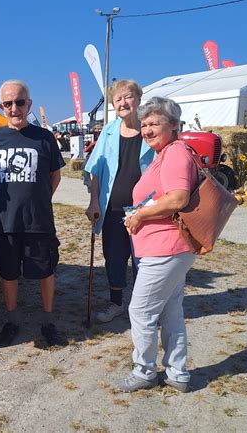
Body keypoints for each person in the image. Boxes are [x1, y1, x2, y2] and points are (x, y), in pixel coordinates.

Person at [114, 97, 198, 393]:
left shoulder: (174, 153)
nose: (147, 129)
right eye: (145, 124)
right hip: (169, 248)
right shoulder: (164, 154)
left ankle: (144, 371)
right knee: (170, 310)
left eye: (154, 123)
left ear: (174, 126)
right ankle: (177, 373)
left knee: (140, 311)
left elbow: (178, 198)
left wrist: (140, 214)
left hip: (165, 248)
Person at [0, 79, 66, 347]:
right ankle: (12, 320)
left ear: (28, 103)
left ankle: (48, 321)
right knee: (8, 273)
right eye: (8, 103)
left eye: (19, 102)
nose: (14, 108)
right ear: (2, 106)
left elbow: (55, 176)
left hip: (38, 221)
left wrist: (37, 200)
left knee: (45, 271)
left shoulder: (44, 138)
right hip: (6, 223)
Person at [84, 80, 154, 322]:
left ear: (138, 99)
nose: (123, 103)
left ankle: (143, 307)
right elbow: (95, 169)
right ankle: (116, 304)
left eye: (128, 97)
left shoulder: (150, 130)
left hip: (145, 209)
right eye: (118, 99)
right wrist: (94, 201)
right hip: (113, 208)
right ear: (113, 105)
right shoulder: (109, 131)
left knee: (143, 259)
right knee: (114, 256)